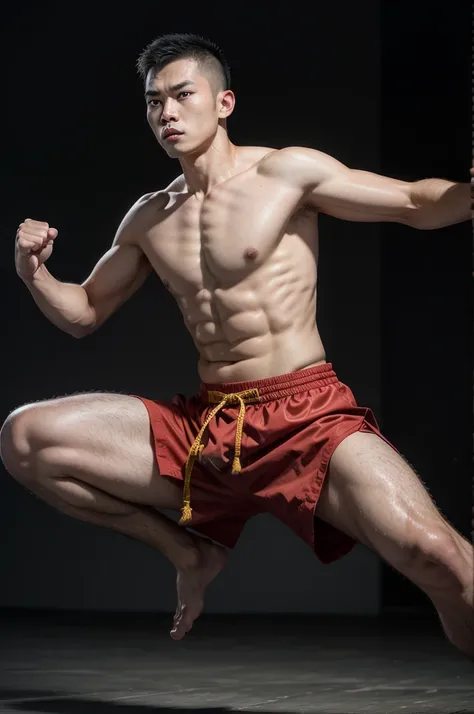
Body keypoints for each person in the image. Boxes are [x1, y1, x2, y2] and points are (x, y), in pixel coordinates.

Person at [1, 33, 472, 654]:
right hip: (210, 428)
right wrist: (33, 273)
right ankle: (188, 552)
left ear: (223, 102)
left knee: (439, 557)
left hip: (306, 416)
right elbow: (84, 311)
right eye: (153, 102)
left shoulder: (286, 172)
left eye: (181, 95)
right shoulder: (149, 216)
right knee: (24, 438)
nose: (166, 112)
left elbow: (413, 203)